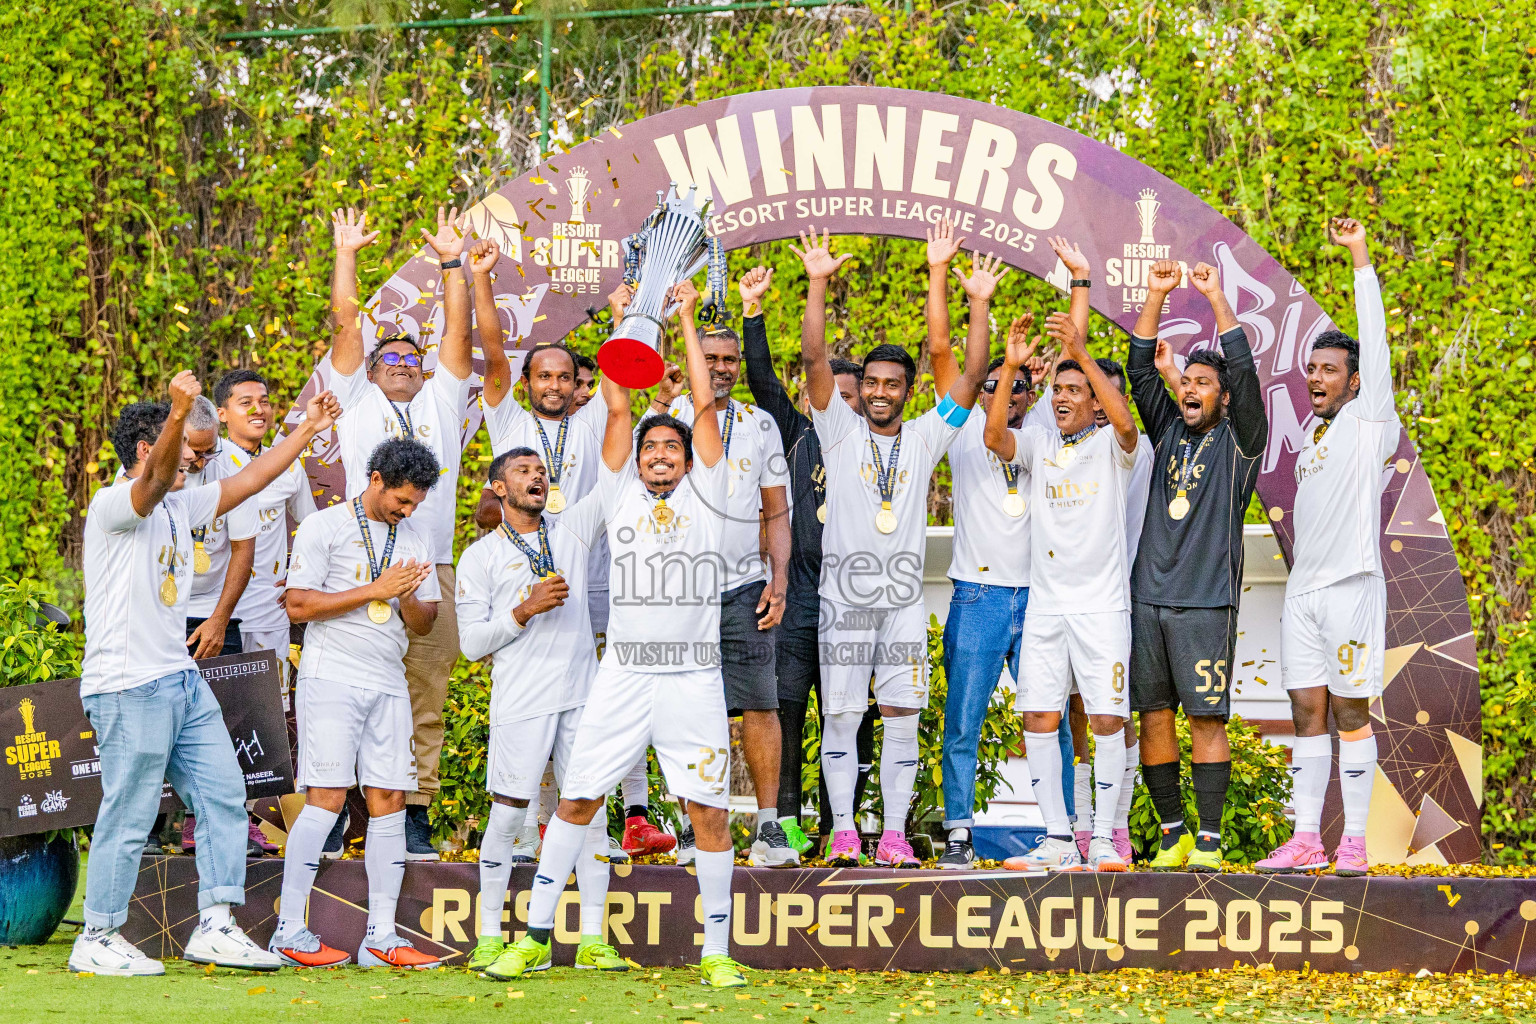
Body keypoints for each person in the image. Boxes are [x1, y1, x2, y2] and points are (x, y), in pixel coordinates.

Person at [486, 278, 748, 988]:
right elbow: (619, 399)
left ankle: (718, 952)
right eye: (650, 449)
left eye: (672, 448)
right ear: (635, 461)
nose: (660, 454)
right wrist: (629, 320)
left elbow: (700, 403)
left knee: (707, 811)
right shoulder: (615, 491)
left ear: (690, 460)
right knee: (576, 799)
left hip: (693, 676)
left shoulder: (710, 491)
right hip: (624, 674)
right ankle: (535, 937)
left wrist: (687, 320)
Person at [69, 371, 338, 976]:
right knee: (130, 809)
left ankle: (216, 924)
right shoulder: (117, 505)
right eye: (191, 449)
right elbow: (158, 475)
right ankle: (97, 935)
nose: (200, 460)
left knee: (223, 794)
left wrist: (307, 430)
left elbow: (250, 480)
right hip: (126, 684)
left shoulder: (177, 506)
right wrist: (177, 409)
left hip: (181, 679)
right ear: (149, 448)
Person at [796, 227, 993, 868]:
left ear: (908, 390)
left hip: (904, 606)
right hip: (845, 602)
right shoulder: (838, 428)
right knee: (844, 719)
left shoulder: (928, 436)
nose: (879, 392)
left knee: (903, 718)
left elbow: (970, 375)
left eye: (892, 384)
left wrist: (971, 295)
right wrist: (817, 281)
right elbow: (814, 362)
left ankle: (895, 835)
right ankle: (847, 830)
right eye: (873, 382)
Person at [470, 243, 664, 863]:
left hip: (594, 574)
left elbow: (617, 400)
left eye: (562, 376)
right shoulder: (508, 426)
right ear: (528, 385)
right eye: (543, 376)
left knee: (594, 705)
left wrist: (618, 323)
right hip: (523, 573)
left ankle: (614, 821)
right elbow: (494, 359)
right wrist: (479, 280)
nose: (553, 385)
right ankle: (531, 827)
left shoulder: (584, 426)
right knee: (538, 700)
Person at [328, 206, 474, 860]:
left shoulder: (443, 404)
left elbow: (459, 342)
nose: (400, 362)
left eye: (411, 356)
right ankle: (336, 812)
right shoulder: (355, 400)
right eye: (387, 354)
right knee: (344, 691)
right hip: (355, 568)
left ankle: (413, 813)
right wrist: (349, 253)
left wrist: (452, 265)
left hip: (430, 567)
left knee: (424, 699)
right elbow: (345, 324)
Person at [270, 438, 445, 969]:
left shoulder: (417, 534)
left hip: (389, 677)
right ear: (374, 480)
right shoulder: (325, 527)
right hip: (332, 675)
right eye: (401, 501)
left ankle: (381, 938)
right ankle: (289, 931)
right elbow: (298, 605)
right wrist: (375, 589)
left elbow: (425, 622)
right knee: (326, 796)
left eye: (415, 503)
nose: (407, 511)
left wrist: (406, 595)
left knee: (389, 799)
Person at [1257, 217, 1397, 877]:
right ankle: (1306, 839)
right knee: (1305, 709)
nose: (1315, 377)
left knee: (1348, 710)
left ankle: (1355, 845)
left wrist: (1359, 257)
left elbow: (1376, 341)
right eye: (1311, 368)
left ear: (1355, 380)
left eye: (1329, 369)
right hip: (1304, 593)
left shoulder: (1372, 424)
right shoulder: (1311, 435)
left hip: (1351, 588)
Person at [985, 299, 1141, 871]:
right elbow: (995, 436)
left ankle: (1102, 837)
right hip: (1047, 608)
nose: (1062, 397)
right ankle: (1056, 838)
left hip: (1101, 607)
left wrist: (1078, 351)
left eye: (1075, 391)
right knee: (1039, 719)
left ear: (1096, 403)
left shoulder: (1113, 446)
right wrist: (1009, 365)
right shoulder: (1042, 445)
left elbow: (1126, 423)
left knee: (1106, 719)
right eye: (1058, 390)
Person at [922, 218, 1057, 869]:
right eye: (1013, 381)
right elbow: (946, 350)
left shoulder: (1055, 436)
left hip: (1041, 599)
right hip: (977, 593)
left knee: (1048, 718)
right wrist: (949, 276)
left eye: (1033, 383)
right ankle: (957, 830)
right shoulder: (968, 422)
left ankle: (1065, 831)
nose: (1022, 391)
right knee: (964, 723)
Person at [458, 447, 624, 973]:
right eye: (523, 471)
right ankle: (488, 936)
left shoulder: (570, 528)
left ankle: (593, 939)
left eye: (541, 471)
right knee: (508, 816)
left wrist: (649, 401)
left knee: (589, 818)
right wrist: (524, 609)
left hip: (582, 697)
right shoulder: (479, 557)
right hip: (523, 700)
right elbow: (470, 644)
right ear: (499, 488)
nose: (537, 477)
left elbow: (615, 473)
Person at [1127, 259, 1269, 872]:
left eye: (1203, 382)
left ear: (1225, 396)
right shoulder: (1166, 432)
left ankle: (1209, 843)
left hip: (1206, 602)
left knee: (1206, 717)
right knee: (1153, 715)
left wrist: (1215, 296)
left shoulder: (1243, 441)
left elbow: (1243, 366)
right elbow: (1138, 368)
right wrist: (1156, 294)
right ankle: (1172, 834)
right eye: (1186, 380)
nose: (1190, 389)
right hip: (1147, 597)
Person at [641, 304, 793, 868]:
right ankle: (688, 825)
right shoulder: (665, 416)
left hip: (742, 587)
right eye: (711, 358)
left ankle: (770, 828)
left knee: (759, 703)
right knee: (683, 708)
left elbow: (776, 511)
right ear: (691, 360)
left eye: (730, 359)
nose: (723, 367)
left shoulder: (761, 423)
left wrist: (778, 580)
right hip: (679, 592)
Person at [738, 266, 877, 857]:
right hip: (797, 596)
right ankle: (788, 822)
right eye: (833, 397)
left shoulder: (876, 443)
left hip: (852, 598)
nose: (839, 407)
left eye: (850, 399)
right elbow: (762, 377)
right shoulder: (792, 428)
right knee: (789, 711)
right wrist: (753, 313)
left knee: (853, 717)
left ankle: (844, 823)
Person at [212, 367, 319, 858]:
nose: (259, 409)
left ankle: (253, 819)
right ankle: (203, 819)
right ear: (221, 414)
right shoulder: (208, 465)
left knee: (264, 717)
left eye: (265, 401)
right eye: (245, 402)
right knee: (213, 716)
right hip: (217, 612)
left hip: (270, 613)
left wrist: (298, 579)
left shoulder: (289, 463)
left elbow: (314, 530)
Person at [1064, 355, 1153, 865]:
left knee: (1118, 714)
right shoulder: (1066, 448)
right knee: (1078, 712)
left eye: (1105, 396)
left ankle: (1114, 827)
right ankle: (1081, 824)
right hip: (1073, 598)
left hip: (1125, 597)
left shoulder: (1132, 447)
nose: (1096, 406)